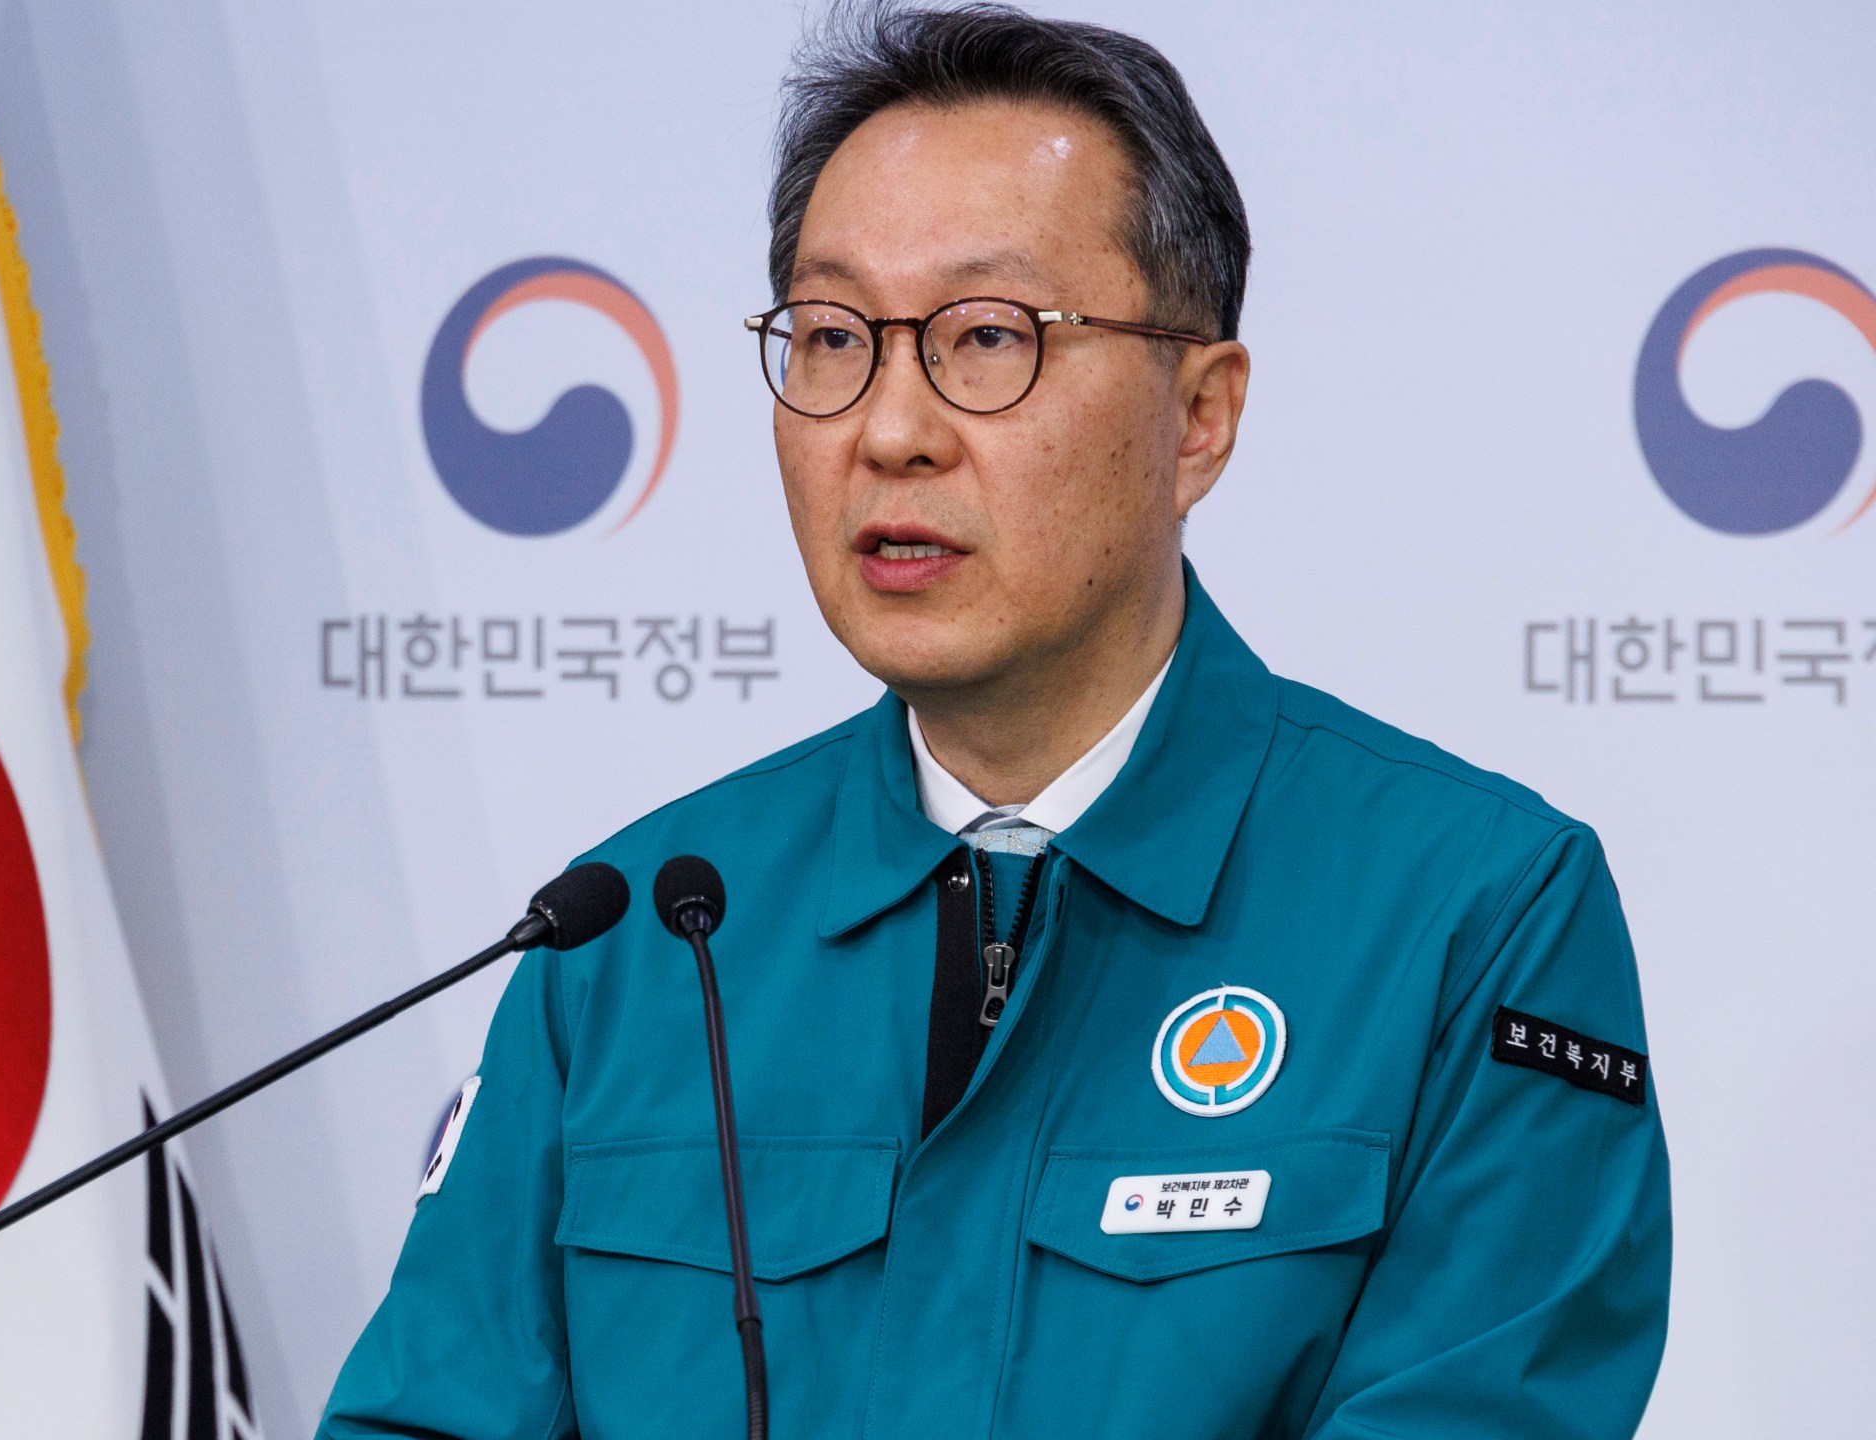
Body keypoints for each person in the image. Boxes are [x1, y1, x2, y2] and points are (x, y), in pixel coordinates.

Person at [321, 5, 1670, 1436]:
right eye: (833, 337)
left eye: (987, 337)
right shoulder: (639, 938)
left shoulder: (1476, 913)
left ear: (1199, 414)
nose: (891, 428)